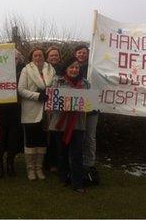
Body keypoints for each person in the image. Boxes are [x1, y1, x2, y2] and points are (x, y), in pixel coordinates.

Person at [49, 57, 89, 193]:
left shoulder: (85, 83)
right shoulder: (57, 81)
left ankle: (77, 183)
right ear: (66, 68)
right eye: (71, 67)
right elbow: (51, 102)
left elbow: (88, 103)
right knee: (62, 153)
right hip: (60, 123)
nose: (74, 70)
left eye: (77, 67)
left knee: (77, 153)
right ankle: (63, 177)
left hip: (77, 124)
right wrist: (64, 103)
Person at [18, 47, 55, 180]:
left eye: (40, 55)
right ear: (31, 58)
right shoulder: (26, 70)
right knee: (31, 141)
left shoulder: (50, 69)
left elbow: (54, 87)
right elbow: (21, 90)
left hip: (47, 111)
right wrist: (38, 96)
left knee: (42, 141)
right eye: (35, 56)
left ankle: (39, 169)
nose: (38, 58)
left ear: (44, 57)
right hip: (31, 111)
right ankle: (30, 169)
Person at [0, 49, 25, 178]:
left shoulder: (23, 72)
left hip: (15, 110)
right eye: (10, 58)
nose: (13, 61)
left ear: (19, 60)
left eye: (15, 58)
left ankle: (10, 163)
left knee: (13, 139)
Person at [74, 44, 100, 185]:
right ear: (75, 54)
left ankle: (89, 163)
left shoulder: (94, 67)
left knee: (90, 137)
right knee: (77, 136)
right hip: (76, 108)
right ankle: (77, 161)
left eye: (84, 52)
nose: (82, 55)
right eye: (79, 52)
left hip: (92, 107)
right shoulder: (72, 67)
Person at [44, 46, 63, 173]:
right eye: (51, 55)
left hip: (60, 106)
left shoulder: (63, 69)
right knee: (46, 135)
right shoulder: (44, 69)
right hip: (46, 106)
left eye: (56, 55)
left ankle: (56, 162)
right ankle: (46, 162)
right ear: (47, 57)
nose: (54, 57)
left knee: (57, 135)